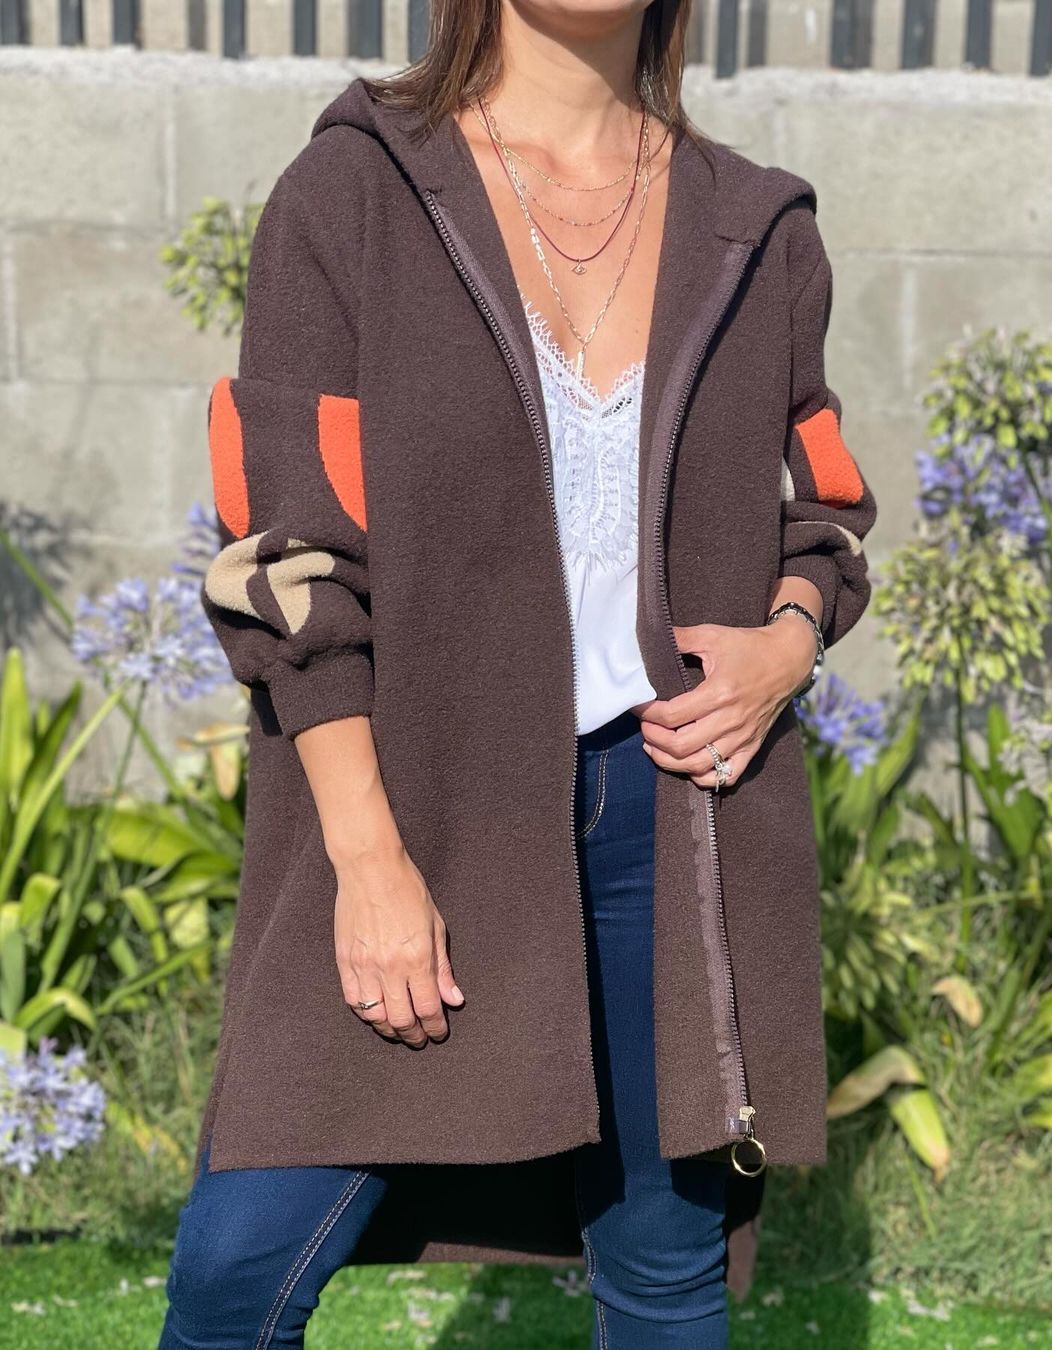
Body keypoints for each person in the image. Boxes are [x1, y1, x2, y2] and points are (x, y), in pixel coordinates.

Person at [158, 1, 878, 1345]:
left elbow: (821, 504)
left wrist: (788, 642)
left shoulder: (756, 226)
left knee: (662, 1276)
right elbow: (287, 556)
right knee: (240, 1266)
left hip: (672, 818)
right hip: (420, 803)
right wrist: (366, 856)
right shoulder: (354, 192)